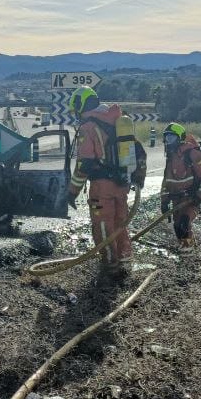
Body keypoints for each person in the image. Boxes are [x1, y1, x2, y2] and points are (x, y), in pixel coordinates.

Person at [66, 87, 146, 278]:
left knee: (103, 226)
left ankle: (110, 267)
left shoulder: (88, 128)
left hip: (102, 187)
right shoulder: (119, 120)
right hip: (122, 184)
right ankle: (125, 262)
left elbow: (84, 165)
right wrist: (138, 178)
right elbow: (139, 152)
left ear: (80, 105)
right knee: (120, 222)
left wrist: (72, 191)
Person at [160, 122, 201, 249]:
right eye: (167, 138)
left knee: (184, 222)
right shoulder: (171, 157)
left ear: (180, 138)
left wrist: (198, 197)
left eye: (171, 138)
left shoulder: (193, 154)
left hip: (190, 199)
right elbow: (166, 182)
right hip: (176, 200)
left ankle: (189, 252)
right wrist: (164, 201)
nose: (168, 141)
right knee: (177, 227)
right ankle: (187, 248)